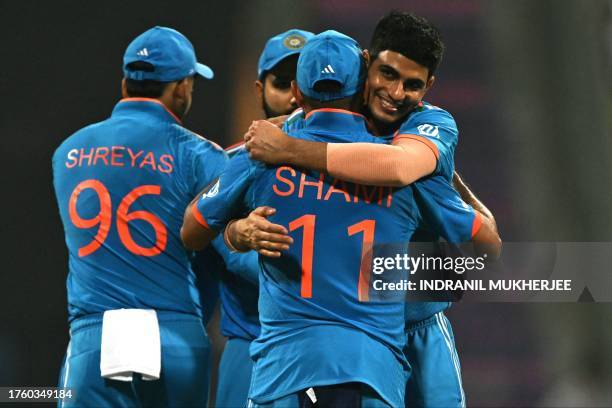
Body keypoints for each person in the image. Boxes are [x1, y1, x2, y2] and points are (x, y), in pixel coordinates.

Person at [182, 29, 485, 407]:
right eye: (387, 76)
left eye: (407, 82)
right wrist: (237, 233)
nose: (393, 93)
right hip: (307, 344)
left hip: (385, 332)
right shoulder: (255, 152)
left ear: (297, 91)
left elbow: (194, 228)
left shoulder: (259, 158)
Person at [52, 26, 226, 407]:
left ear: (124, 83)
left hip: (95, 337)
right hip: (176, 337)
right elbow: (229, 253)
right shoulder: (201, 155)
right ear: (181, 88)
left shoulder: (67, 153)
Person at [213, 28, 314, 408]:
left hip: (331, 351)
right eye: (281, 83)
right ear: (259, 91)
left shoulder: (356, 164)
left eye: (304, 80)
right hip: (252, 346)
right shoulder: (230, 166)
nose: (293, 96)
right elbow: (220, 248)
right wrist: (236, 233)